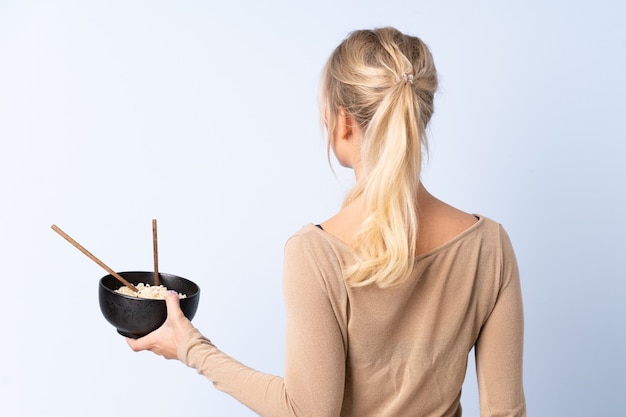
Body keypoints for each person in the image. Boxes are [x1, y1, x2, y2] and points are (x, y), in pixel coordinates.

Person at [127, 27, 526, 417]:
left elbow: (308, 411)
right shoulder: (489, 245)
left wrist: (190, 346)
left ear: (343, 121)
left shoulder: (315, 253)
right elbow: (505, 412)